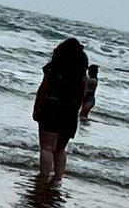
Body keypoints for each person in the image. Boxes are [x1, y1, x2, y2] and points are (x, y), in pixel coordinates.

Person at [32, 37, 89, 180]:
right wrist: (76, 110)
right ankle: (58, 178)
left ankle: (44, 176)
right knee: (60, 149)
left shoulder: (53, 67)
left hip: (51, 107)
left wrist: (36, 108)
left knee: (47, 147)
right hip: (70, 111)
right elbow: (82, 94)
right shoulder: (82, 73)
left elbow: (43, 88)